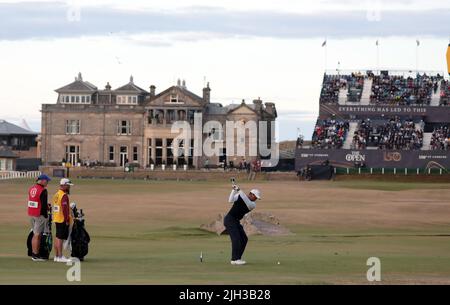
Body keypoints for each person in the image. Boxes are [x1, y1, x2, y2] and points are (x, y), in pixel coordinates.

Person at [224, 182, 261, 265]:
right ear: (251, 194)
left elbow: (246, 200)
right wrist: (233, 190)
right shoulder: (240, 196)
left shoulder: (252, 205)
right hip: (229, 219)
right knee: (236, 239)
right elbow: (230, 200)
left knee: (244, 239)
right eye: (255, 196)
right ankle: (234, 259)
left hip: (236, 221)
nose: (256, 199)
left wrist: (239, 189)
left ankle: (238, 258)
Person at [27, 174, 51, 261]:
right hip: (39, 215)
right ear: (42, 180)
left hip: (32, 213)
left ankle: (34, 253)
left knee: (35, 234)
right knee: (37, 235)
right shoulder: (43, 190)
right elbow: (43, 205)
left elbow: (33, 201)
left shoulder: (32, 188)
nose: (47, 182)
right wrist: (46, 216)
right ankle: (35, 255)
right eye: (47, 181)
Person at [52, 178, 74, 263]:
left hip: (57, 218)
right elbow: (65, 209)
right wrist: (67, 219)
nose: (69, 187)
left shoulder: (57, 194)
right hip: (62, 219)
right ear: (64, 185)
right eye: (68, 186)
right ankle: (60, 256)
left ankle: (57, 256)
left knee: (57, 237)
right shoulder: (64, 196)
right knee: (60, 238)